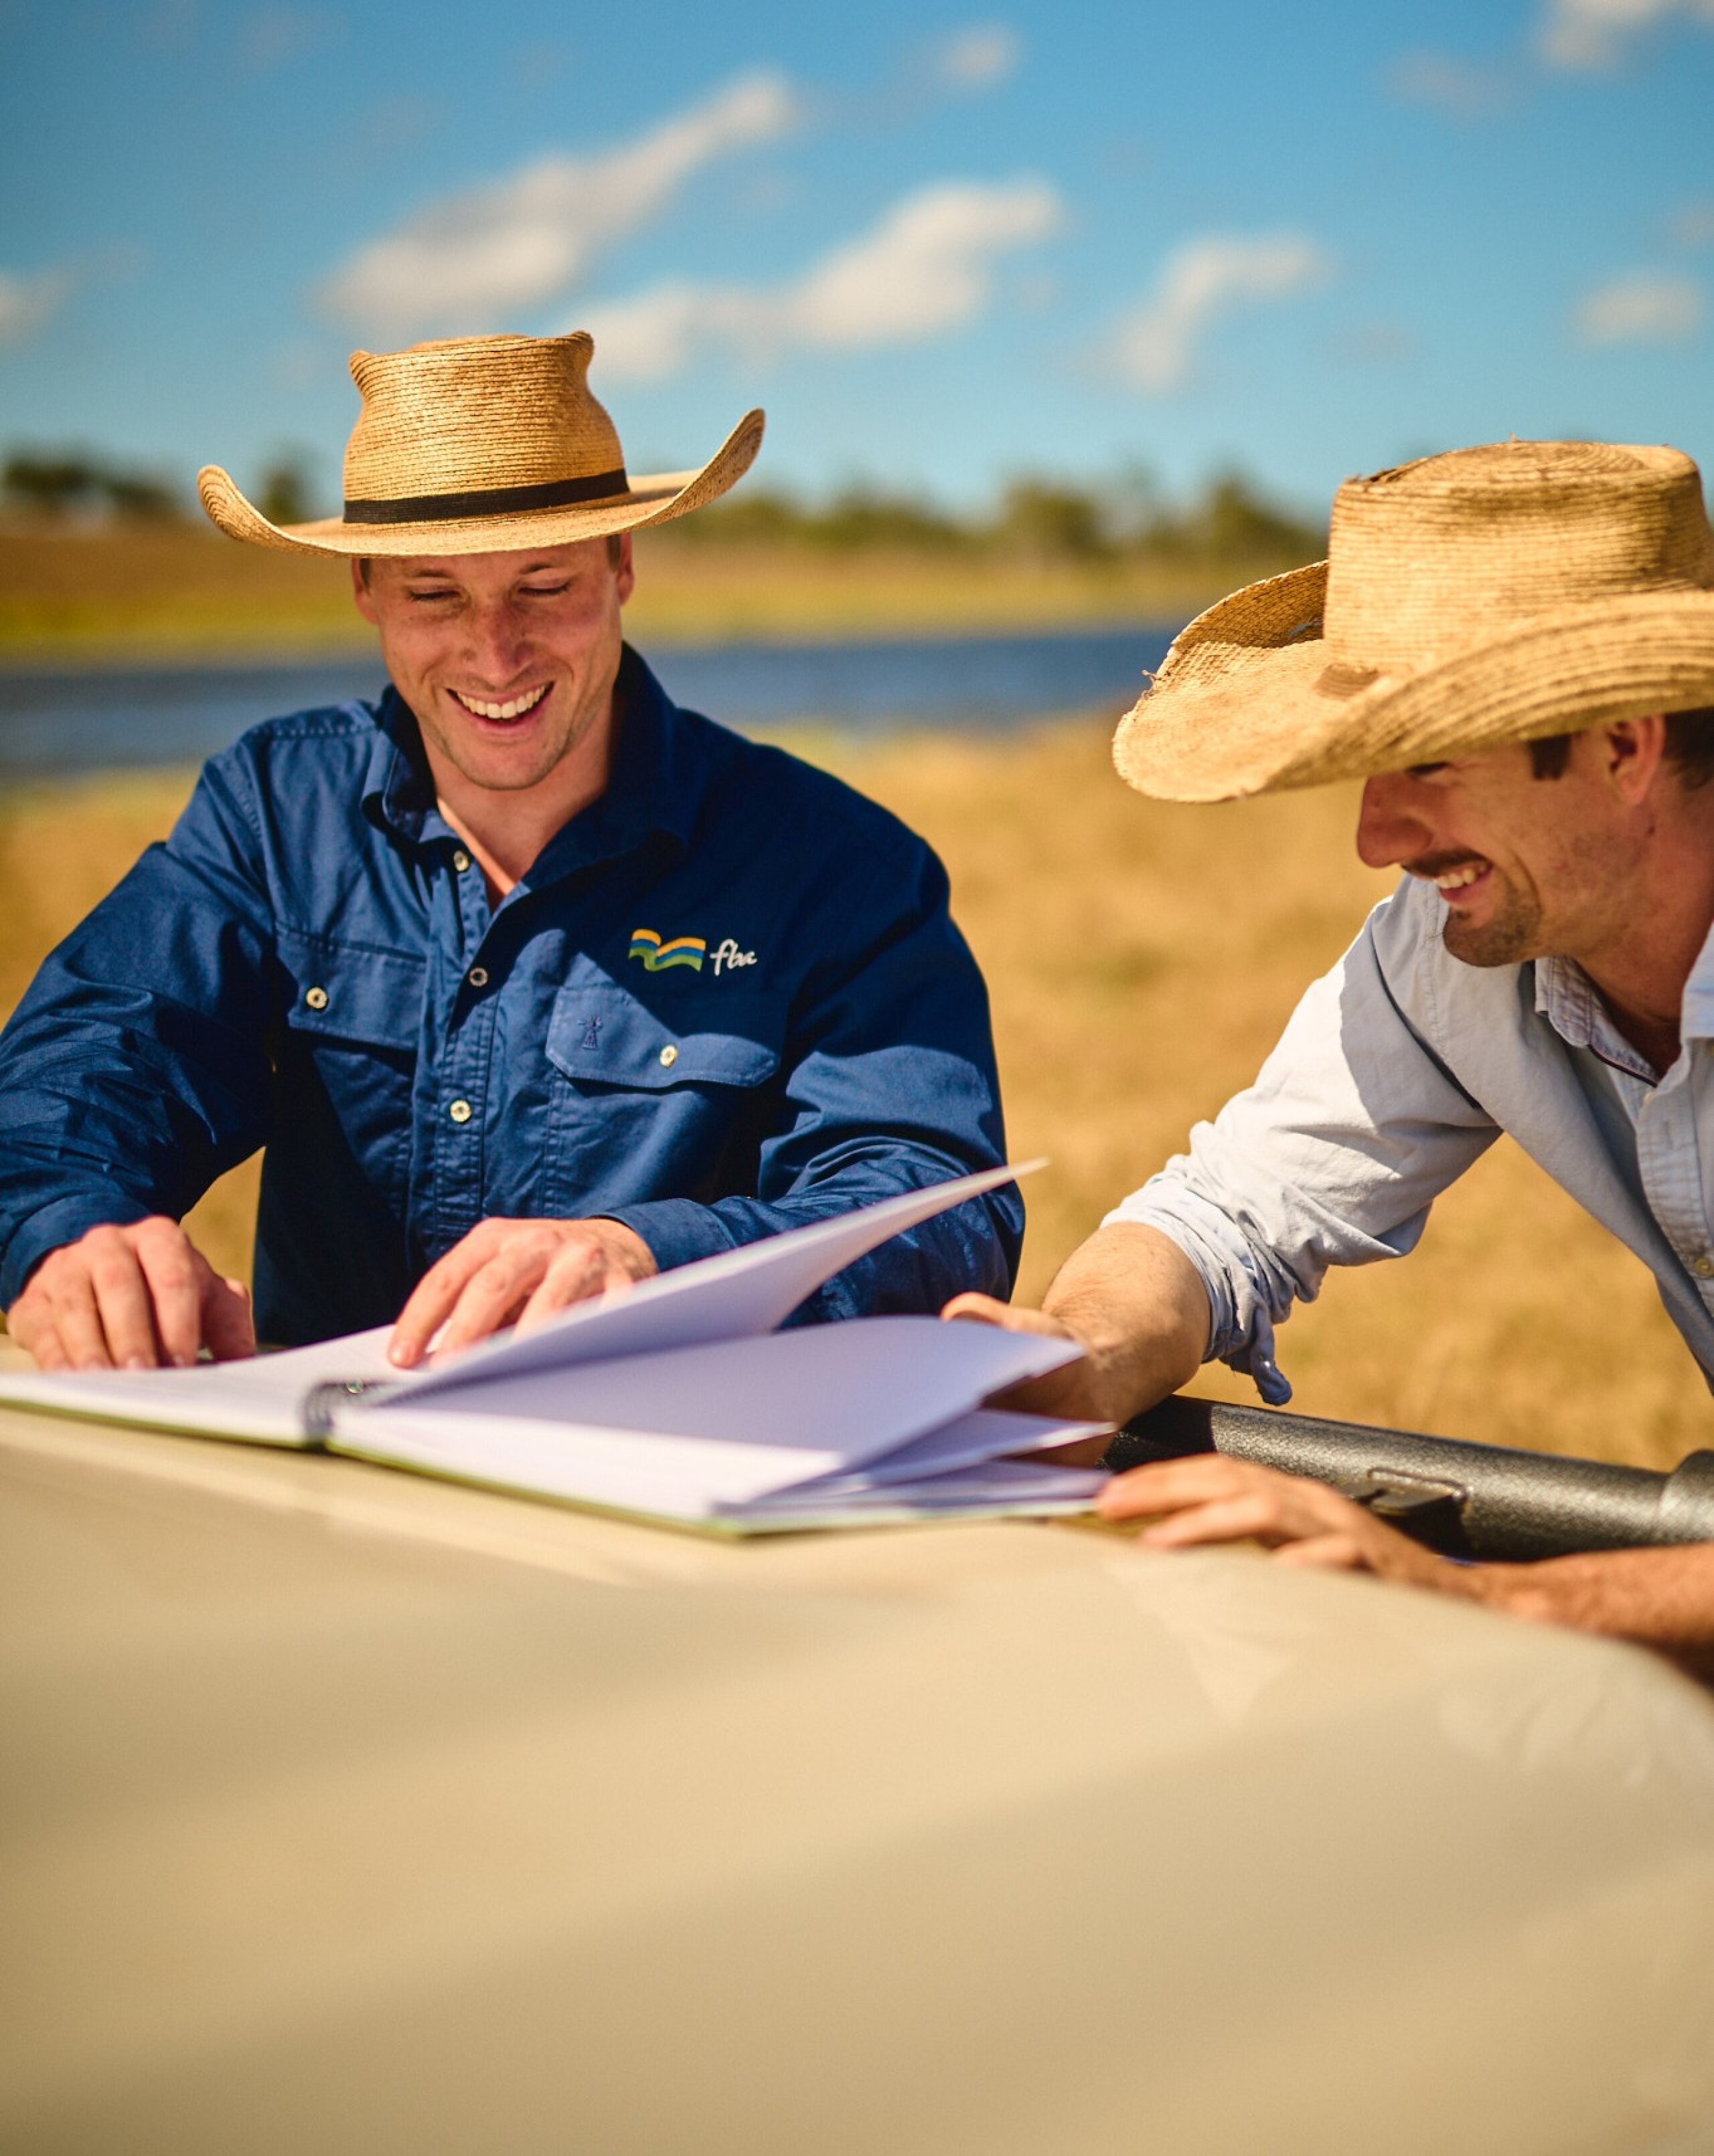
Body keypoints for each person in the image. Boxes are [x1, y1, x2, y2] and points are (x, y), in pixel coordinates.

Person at [0, 332, 1020, 1370]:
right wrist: (70, 1231)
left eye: (543, 584)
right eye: (435, 593)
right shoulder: (275, 811)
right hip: (313, 1487)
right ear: (365, 587)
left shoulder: (837, 864)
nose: (495, 652)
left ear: (623, 566)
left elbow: (938, 1209)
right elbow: (91, 1059)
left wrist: (651, 1260)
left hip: (659, 1490)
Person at [951, 438, 1714, 1672]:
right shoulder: (1450, 945)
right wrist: (1080, 1359)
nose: (1375, 836)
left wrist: (1494, 1609)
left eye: (1428, 758)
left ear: (1626, 743)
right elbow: (1227, 1212)